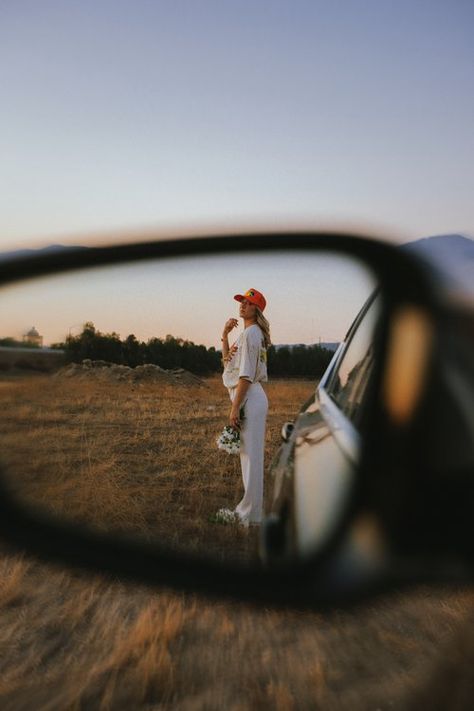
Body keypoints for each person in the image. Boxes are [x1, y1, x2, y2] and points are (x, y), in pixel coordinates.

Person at [219, 288, 271, 526]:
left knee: (251, 458)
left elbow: (246, 375)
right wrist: (225, 335)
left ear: (256, 309)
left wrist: (235, 407)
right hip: (248, 398)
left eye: (248, 303)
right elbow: (228, 363)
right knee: (248, 457)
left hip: (249, 397)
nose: (242, 305)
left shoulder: (252, 334)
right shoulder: (249, 333)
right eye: (241, 302)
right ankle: (250, 512)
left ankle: (250, 515)